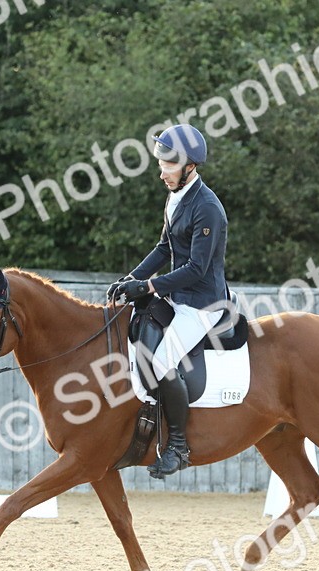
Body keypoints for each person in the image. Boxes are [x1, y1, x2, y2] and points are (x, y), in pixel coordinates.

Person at [108, 123, 229, 478]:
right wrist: (131, 278)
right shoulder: (176, 196)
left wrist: (147, 288)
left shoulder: (207, 208)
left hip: (203, 304)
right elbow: (164, 248)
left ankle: (178, 446)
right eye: (160, 164)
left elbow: (195, 268)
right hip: (179, 297)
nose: (162, 173)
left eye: (168, 166)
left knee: (159, 363)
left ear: (190, 166)